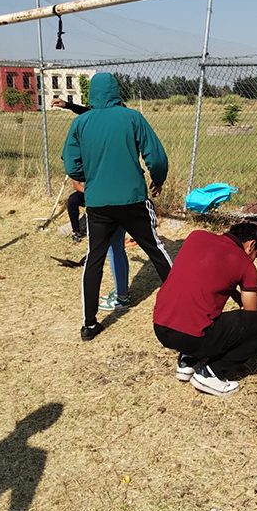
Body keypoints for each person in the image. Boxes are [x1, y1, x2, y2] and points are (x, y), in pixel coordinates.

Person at [62, 73, 172, 341]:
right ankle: (184, 304)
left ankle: (89, 325)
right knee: (156, 250)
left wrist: (89, 179)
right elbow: (156, 157)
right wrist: (157, 179)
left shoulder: (81, 122)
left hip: (98, 203)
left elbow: (71, 164)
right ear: (116, 92)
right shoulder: (132, 117)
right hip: (132, 199)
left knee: (95, 259)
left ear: (92, 95)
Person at [153, 222, 257, 397]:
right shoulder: (245, 264)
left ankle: (188, 360)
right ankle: (212, 373)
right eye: (256, 255)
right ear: (251, 245)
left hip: (161, 327)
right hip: (193, 337)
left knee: (198, 308)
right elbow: (252, 316)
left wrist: (236, 295)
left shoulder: (196, 237)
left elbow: (209, 278)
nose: (253, 259)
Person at [53, 98, 131, 312]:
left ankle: (119, 299)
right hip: (124, 194)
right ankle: (123, 294)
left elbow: (90, 115)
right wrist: (69, 106)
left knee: (112, 249)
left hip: (108, 198)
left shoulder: (103, 135)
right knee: (117, 247)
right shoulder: (125, 126)